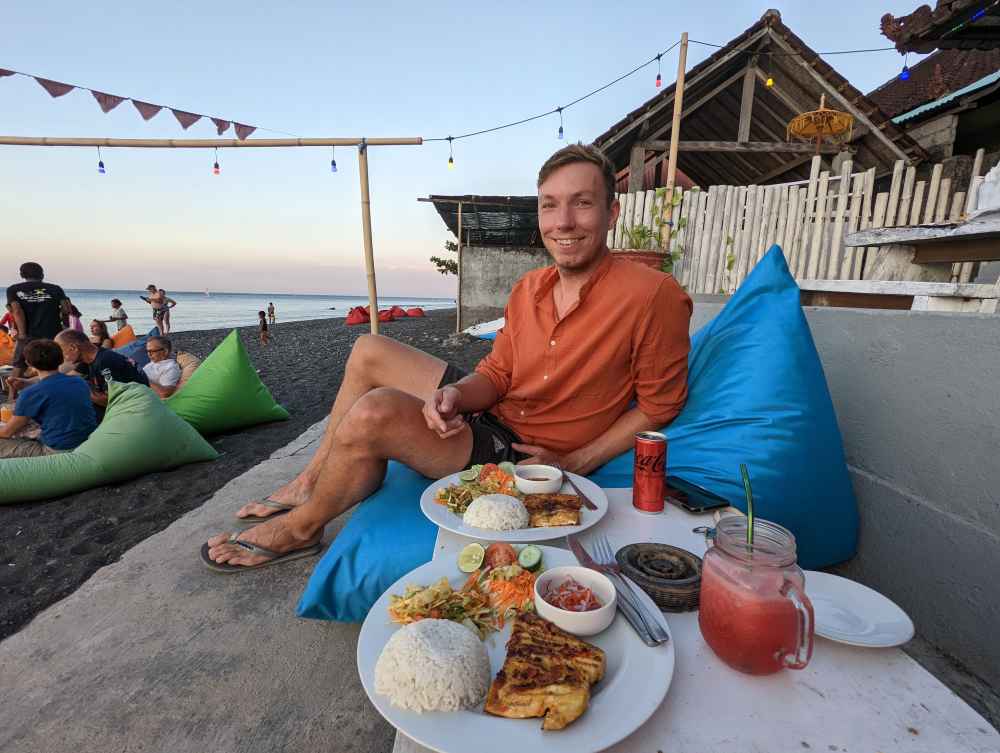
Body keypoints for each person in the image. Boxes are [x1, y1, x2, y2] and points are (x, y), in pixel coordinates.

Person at [204, 143, 692, 571]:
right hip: (493, 407)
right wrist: (455, 395)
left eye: (582, 204)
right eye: (550, 206)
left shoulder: (652, 295)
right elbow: (498, 372)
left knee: (374, 413)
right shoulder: (530, 287)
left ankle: (301, 529)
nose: (563, 221)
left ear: (613, 211)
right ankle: (310, 478)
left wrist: (577, 461)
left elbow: (660, 405)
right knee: (369, 347)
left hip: (517, 446)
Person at [0, 339, 96, 458]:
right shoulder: (80, 382)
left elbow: (7, 432)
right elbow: (53, 387)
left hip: (58, 451)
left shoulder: (31, 393)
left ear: (29, 363)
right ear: (61, 359)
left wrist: (13, 391)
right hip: (88, 442)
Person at [6, 262, 71, 401]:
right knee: (54, 364)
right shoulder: (55, 289)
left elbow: (17, 310)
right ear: (41, 274)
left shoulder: (13, 289)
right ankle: (53, 394)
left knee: (19, 365)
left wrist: (22, 334)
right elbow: (67, 309)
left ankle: (12, 398)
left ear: (22, 275)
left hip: (28, 334)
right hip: (53, 333)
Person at [53, 328, 148, 412]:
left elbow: (113, 402)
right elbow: (65, 378)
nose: (62, 357)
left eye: (61, 351)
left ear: (73, 348)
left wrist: (81, 387)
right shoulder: (91, 358)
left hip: (137, 409)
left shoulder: (104, 361)